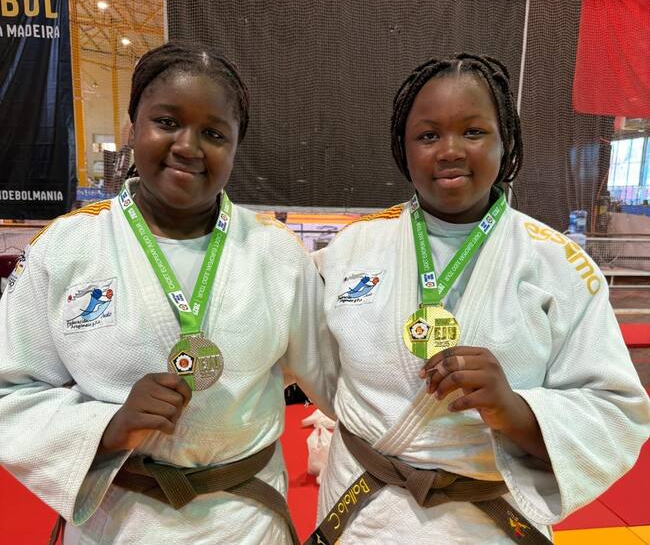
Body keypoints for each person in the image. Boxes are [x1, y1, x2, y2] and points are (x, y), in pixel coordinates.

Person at [0, 41, 336, 544]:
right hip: (118, 522)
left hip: (242, 523)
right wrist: (106, 427)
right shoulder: (67, 247)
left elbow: (337, 378)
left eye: (214, 133)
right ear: (132, 128)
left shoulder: (277, 254)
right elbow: (9, 391)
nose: (188, 146)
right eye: (167, 122)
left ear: (235, 147)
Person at [312, 54, 650, 543]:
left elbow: (616, 412)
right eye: (428, 135)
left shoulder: (558, 266)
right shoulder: (351, 249)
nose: (450, 151)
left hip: (487, 526)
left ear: (504, 140)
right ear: (403, 148)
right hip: (365, 515)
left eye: (473, 132)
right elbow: (308, 363)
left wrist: (514, 410)